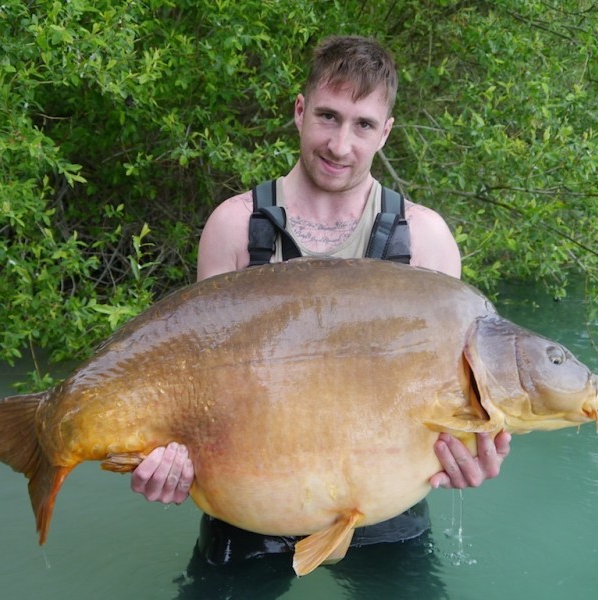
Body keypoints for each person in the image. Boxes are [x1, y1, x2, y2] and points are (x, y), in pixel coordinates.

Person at [131, 35, 511, 568]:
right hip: (251, 504)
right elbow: (198, 384)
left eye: (363, 125)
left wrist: (472, 454)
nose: (340, 145)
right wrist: (168, 460)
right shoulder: (235, 225)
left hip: (383, 508)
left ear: (386, 132)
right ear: (300, 111)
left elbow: (449, 406)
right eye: (328, 117)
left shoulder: (425, 239)